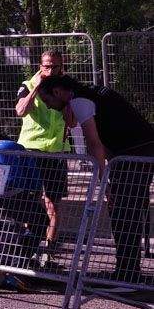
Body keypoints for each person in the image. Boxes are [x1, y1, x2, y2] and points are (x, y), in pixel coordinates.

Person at [38, 75, 154, 284]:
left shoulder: (80, 101)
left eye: (48, 101)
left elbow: (93, 143)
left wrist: (103, 179)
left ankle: (128, 275)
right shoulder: (91, 93)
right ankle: (128, 271)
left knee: (124, 213)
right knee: (127, 211)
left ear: (57, 92)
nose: (49, 107)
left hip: (134, 155)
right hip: (137, 152)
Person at [13, 50, 70, 254]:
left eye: (55, 66)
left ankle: (49, 249)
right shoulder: (28, 84)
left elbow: (72, 121)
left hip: (56, 151)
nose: (50, 70)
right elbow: (20, 111)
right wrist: (37, 87)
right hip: (32, 149)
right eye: (46, 66)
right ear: (40, 66)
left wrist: (63, 100)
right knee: (32, 202)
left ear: (61, 67)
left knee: (53, 204)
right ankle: (30, 248)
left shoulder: (67, 87)